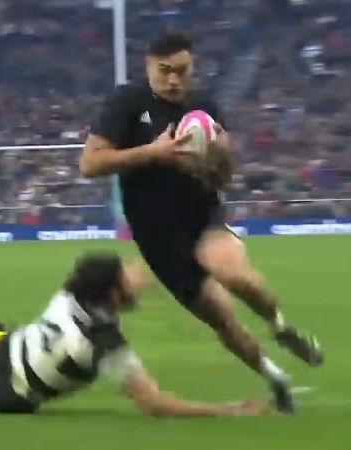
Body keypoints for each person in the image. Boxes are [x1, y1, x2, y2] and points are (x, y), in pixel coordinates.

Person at [79, 30, 322, 413]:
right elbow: (90, 163)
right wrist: (153, 152)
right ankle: (277, 378)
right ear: (149, 66)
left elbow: (223, 178)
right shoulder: (127, 103)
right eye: (165, 71)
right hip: (158, 240)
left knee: (232, 273)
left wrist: (220, 157)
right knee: (224, 322)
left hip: (202, 217)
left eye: (183, 71)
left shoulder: (204, 108)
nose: (174, 80)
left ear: (193, 68)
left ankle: (280, 326)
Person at [0, 251, 268, 417]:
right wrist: (226, 410)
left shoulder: (71, 294)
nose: (132, 284)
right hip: (7, 392)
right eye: (123, 283)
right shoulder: (105, 345)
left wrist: (178, 254)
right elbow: (154, 403)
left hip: (11, 347)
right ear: (112, 294)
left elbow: (134, 274)